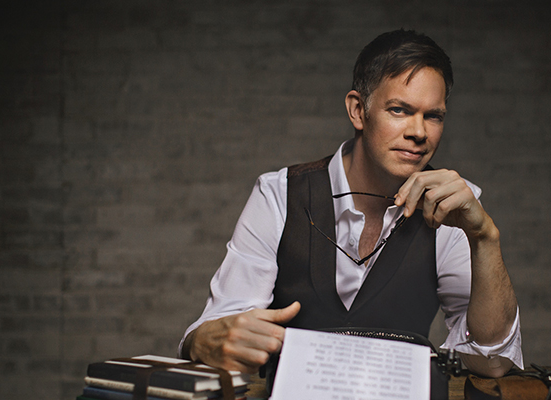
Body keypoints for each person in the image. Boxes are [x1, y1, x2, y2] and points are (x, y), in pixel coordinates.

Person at [180, 29, 523, 382]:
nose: (419, 132)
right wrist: (202, 341)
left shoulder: (454, 208)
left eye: (433, 116)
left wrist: (485, 237)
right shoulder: (280, 194)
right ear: (358, 111)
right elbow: (217, 336)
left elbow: (492, 362)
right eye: (399, 110)